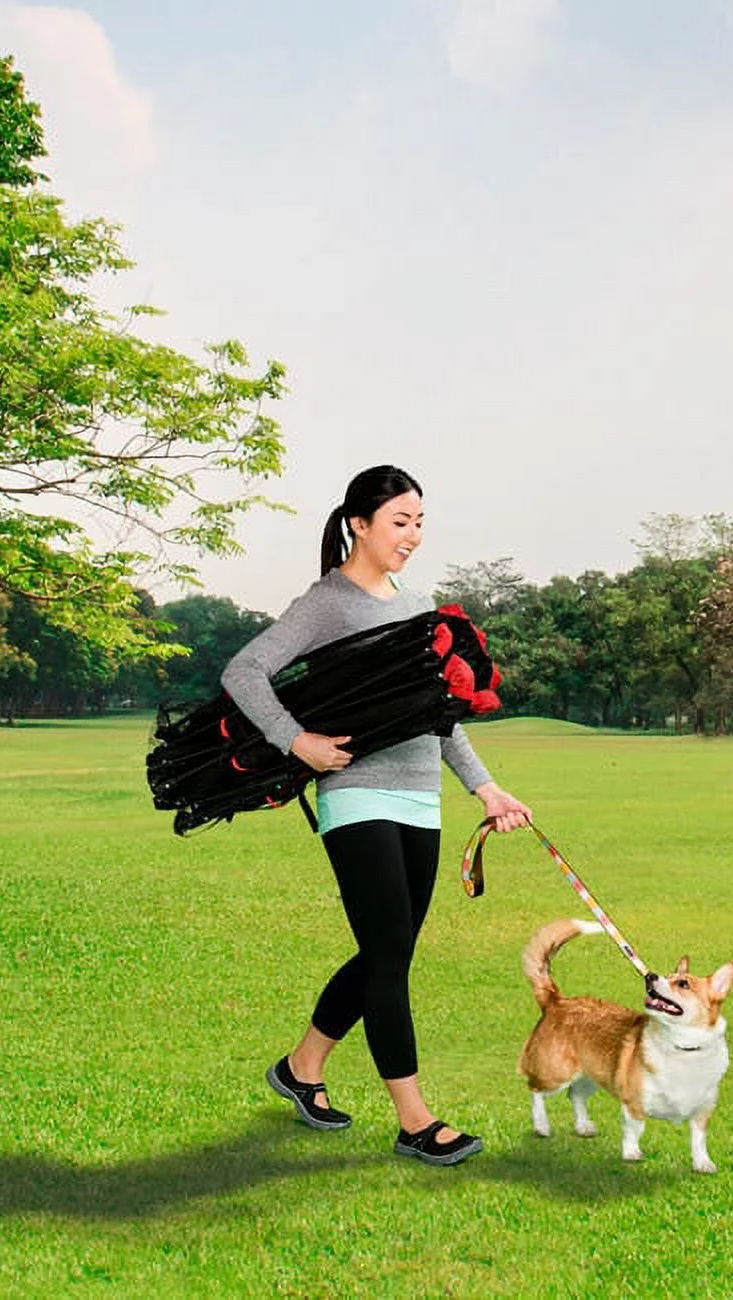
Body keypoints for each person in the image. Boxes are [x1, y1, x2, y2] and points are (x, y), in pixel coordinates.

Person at [221, 465, 531, 1167]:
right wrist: (296, 740)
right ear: (359, 524)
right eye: (400, 522)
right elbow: (244, 671)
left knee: (386, 952)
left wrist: (486, 789)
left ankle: (301, 1067)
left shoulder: (417, 605)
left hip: (420, 798)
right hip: (357, 794)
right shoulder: (327, 603)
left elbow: (440, 715)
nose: (413, 535)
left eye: (419, 523)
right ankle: (415, 1121)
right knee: (389, 955)